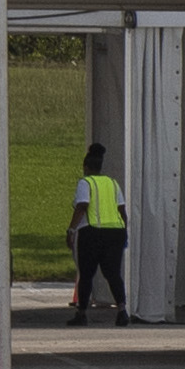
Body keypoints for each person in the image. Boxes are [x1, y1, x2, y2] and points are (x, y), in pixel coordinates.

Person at [65, 139, 129, 327]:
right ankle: (122, 310)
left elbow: (82, 206)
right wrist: (124, 231)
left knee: (86, 274)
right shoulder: (112, 183)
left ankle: (82, 313)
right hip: (115, 233)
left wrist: (71, 230)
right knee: (113, 274)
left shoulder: (86, 183)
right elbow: (122, 211)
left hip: (92, 232)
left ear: (85, 166)